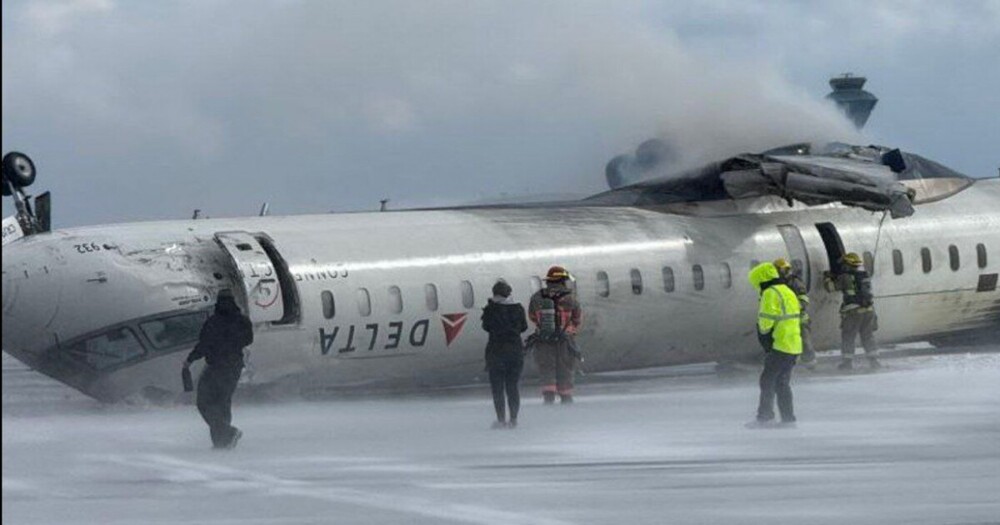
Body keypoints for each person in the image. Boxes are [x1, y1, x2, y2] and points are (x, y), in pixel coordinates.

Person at [183, 289, 254, 449]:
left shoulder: (213, 322)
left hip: (216, 366)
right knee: (223, 403)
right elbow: (248, 340)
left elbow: (203, 344)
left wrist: (190, 359)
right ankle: (223, 441)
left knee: (204, 402)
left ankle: (226, 434)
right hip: (234, 367)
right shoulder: (242, 321)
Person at [747, 261, 803, 427]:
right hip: (793, 344)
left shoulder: (770, 293)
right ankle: (788, 419)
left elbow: (766, 322)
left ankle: (765, 417)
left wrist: (764, 337)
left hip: (780, 344)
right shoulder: (787, 291)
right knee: (782, 383)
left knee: (767, 380)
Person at [528, 266, 583, 404]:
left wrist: (545, 328)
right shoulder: (571, 299)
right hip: (565, 341)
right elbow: (577, 319)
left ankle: (548, 400)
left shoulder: (536, 298)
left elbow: (532, 317)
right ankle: (566, 399)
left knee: (547, 370)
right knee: (565, 370)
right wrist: (569, 330)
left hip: (544, 341)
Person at [481, 280, 529, 429]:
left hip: (497, 352)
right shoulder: (518, 308)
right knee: (512, 387)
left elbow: (486, 326)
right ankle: (513, 419)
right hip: (515, 352)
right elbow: (524, 327)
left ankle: (501, 420)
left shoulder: (491, 309)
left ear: (494, 293)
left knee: (498, 389)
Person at [824, 252, 880, 371]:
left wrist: (827, 277)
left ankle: (847, 363)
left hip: (853, 312)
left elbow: (830, 288)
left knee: (848, 337)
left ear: (847, 265)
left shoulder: (845, 277)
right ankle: (874, 361)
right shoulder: (865, 276)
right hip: (869, 310)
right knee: (868, 336)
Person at [774, 258, 816, 368]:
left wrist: (794, 308)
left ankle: (810, 363)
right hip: (785, 320)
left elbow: (803, 299)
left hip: (799, 318)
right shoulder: (776, 284)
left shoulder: (795, 282)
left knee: (805, 341)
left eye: (780, 270)